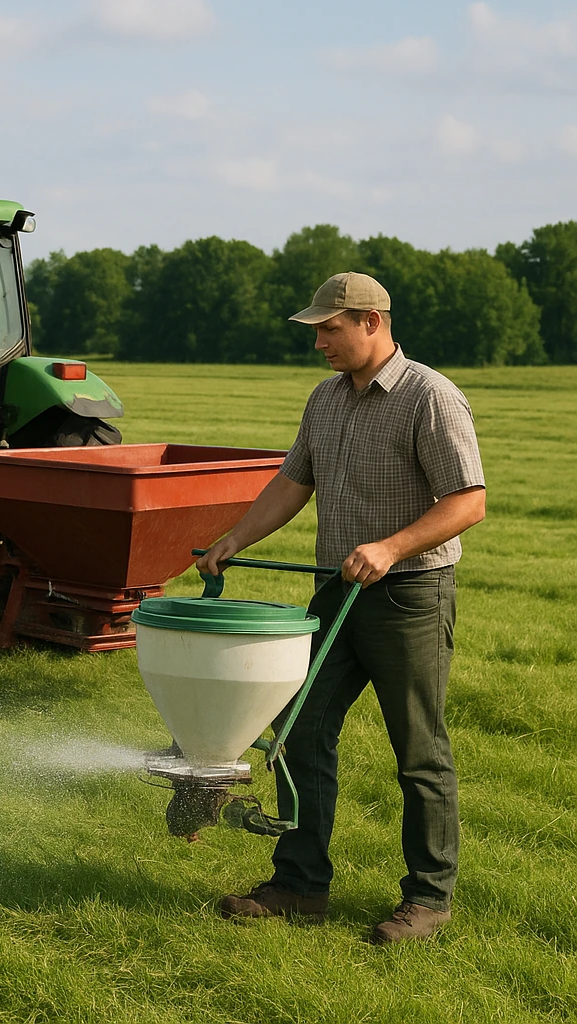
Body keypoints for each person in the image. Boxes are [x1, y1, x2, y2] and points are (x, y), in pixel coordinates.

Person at [197, 272, 485, 945]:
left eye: (330, 329)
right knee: (299, 732)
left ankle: (429, 900)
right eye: (317, 330)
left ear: (371, 323)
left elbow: (468, 501)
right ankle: (299, 886)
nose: (320, 342)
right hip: (334, 592)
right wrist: (235, 538)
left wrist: (390, 547)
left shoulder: (430, 398)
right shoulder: (325, 399)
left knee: (419, 752)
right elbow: (293, 481)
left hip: (408, 595)